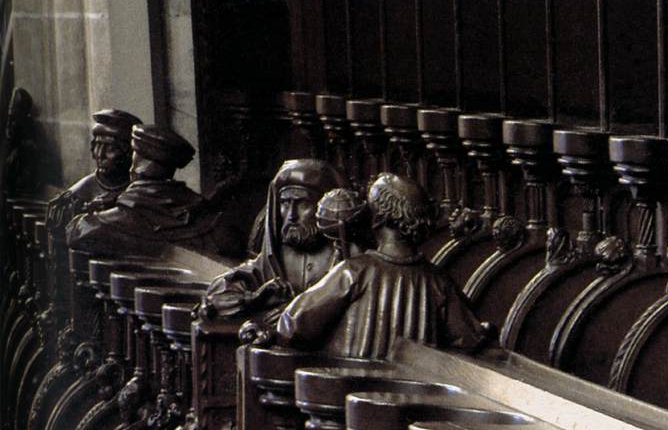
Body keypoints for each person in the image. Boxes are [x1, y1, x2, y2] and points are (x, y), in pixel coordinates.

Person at [277, 173, 488, 357]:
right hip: (412, 396)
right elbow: (469, 340)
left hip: (355, 393)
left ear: (376, 218)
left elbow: (293, 326)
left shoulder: (355, 272)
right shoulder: (438, 282)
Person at [66, 124, 237, 258]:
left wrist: (104, 210)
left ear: (136, 167)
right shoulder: (207, 215)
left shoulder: (112, 222)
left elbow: (76, 232)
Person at [202, 159, 345, 319]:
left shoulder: (345, 255)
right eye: (285, 203)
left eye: (303, 204)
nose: (291, 215)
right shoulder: (274, 258)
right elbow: (215, 296)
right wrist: (255, 299)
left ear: (323, 207)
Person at [45, 109, 142, 232]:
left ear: (130, 152)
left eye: (110, 148)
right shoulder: (76, 197)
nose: (100, 155)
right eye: (97, 146)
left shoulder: (144, 192)